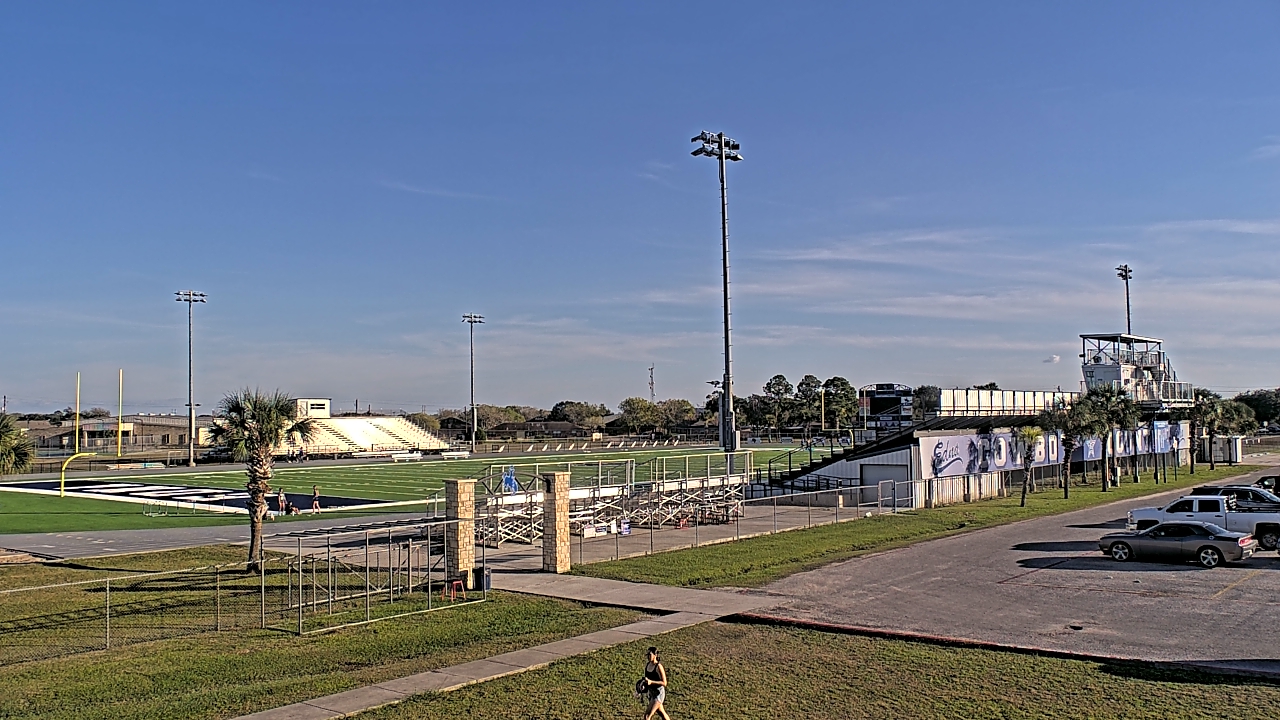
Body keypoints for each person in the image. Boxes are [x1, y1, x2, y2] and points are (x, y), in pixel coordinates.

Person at [641, 646, 669, 720]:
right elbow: (647, 680)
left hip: (658, 694)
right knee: (662, 714)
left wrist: (651, 682)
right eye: (647, 655)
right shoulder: (648, 665)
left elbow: (664, 683)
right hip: (651, 694)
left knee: (647, 716)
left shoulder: (658, 666)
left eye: (650, 655)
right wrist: (643, 685)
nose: (648, 657)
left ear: (655, 655)